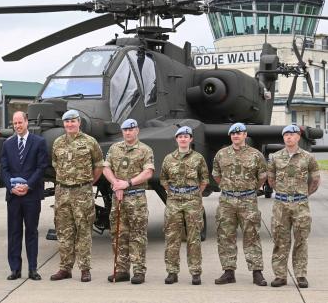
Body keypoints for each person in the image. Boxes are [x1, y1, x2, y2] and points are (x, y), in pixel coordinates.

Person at [50, 109, 103, 282]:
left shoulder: (90, 142)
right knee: (64, 231)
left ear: (79, 122)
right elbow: (55, 164)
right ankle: (65, 268)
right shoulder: (57, 142)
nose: (70, 124)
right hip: (62, 192)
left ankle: (85, 268)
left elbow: (99, 165)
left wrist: (87, 183)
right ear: (64, 124)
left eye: (73, 121)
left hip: (82, 192)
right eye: (67, 122)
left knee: (84, 230)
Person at [212, 122, 268, 286]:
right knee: (225, 236)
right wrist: (228, 187)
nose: (236, 135)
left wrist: (250, 189)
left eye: (239, 133)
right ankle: (228, 272)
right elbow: (216, 175)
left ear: (245, 135)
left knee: (252, 235)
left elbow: (262, 176)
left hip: (248, 201)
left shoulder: (256, 155)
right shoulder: (221, 154)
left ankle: (257, 273)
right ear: (231, 136)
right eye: (233, 133)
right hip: (227, 201)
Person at [267, 124, 320, 288]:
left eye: (292, 134)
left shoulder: (308, 157)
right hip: (281, 204)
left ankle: (301, 275)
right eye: (286, 135)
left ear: (298, 137)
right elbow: (271, 180)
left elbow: (315, 180)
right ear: (283, 138)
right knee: (280, 240)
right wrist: (283, 193)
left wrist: (304, 195)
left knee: (301, 240)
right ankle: (280, 275)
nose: (289, 137)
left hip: (300, 204)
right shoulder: (275, 157)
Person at [103, 118, 154, 284]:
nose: (128, 132)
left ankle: (139, 271)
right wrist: (116, 184)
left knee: (137, 234)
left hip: (136, 197)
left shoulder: (145, 150)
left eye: (131, 129)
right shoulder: (114, 148)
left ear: (137, 130)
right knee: (119, 234)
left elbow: (148, 172)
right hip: (118, 197)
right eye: (125, 130)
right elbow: (106, 168)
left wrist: (128, 183)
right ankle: (121, 270)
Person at [0, 111, 48, 281]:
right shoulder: (8, 144)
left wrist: (28, 185)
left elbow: (41, 167)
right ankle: (15, 269)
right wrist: (11, 187)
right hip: (13, 196)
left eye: (20, 122)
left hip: (31, 195)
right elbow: (4, 169)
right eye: (15, 123)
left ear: (27, 122)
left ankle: (33, 268)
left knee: (31, 232)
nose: (18, 126)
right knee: (14, 233)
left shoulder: (39, 142)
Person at [159, 126, 209, 285]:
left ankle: (195, 272)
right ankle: (172, 272)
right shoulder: (169, 158)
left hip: (192, 200)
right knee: (172, 237)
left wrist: (194, 193)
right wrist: (175, 192)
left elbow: (204, 179)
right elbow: (163, 180)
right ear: (176, 139)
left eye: (186, 136)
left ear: (191, 139)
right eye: (180, 136)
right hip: (174, 200)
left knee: (194, 238)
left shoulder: (198, 158)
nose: (183, 139)